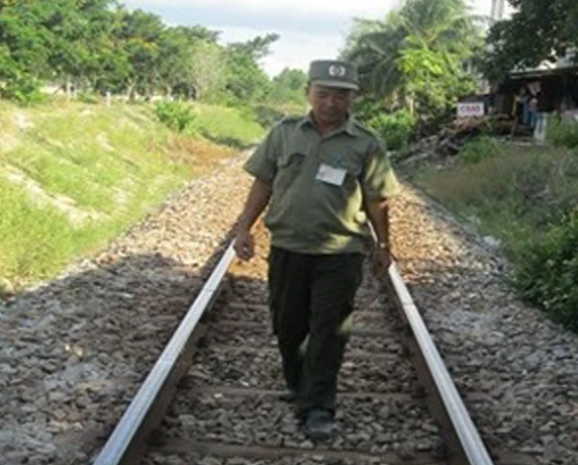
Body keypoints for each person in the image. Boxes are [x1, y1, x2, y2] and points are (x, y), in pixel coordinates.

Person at [233, 59, 399, 441]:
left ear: (352, 98)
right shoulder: (285, 133)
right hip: (289, 246)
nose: (330, 102)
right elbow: (262, 183)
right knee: (288, 324)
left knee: (329, 329)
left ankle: (319, 404)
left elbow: (378, 201)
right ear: (308, 92)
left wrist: (384, 245)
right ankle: (299, 383)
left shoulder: (366, 142)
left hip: (340, 252)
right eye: (323, 93)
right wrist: (244, 227)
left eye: (340, 95)